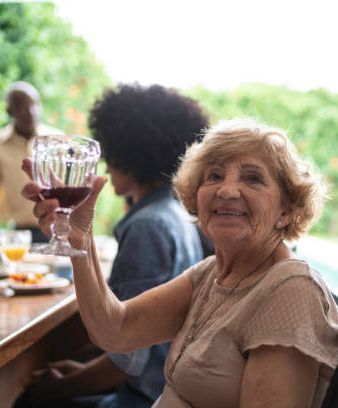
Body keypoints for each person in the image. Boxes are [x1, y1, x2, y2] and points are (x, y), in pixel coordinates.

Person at [23, 118, 338, 407]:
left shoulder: (289, 289)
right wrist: (80, 238)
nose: (227, 190)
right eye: (214, 175)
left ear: (287, 209)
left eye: (254, 179)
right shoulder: (211, 274)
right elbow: (116, 331)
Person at [16, 84, 209, 408]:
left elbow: (127, 356)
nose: (104, 162)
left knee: (29, 400)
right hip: (160, 386)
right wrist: (82, 370)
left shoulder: (148, 227)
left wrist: (60, 388)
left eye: (110, 153)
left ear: (132, 153)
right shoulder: (174, 214)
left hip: (144, 398)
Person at [0, 81, 62, 243]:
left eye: (35, 105)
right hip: (18, 236)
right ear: (9, 111)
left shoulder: (58, 142)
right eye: (23, 106)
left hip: (58, 229)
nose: (31, 112)